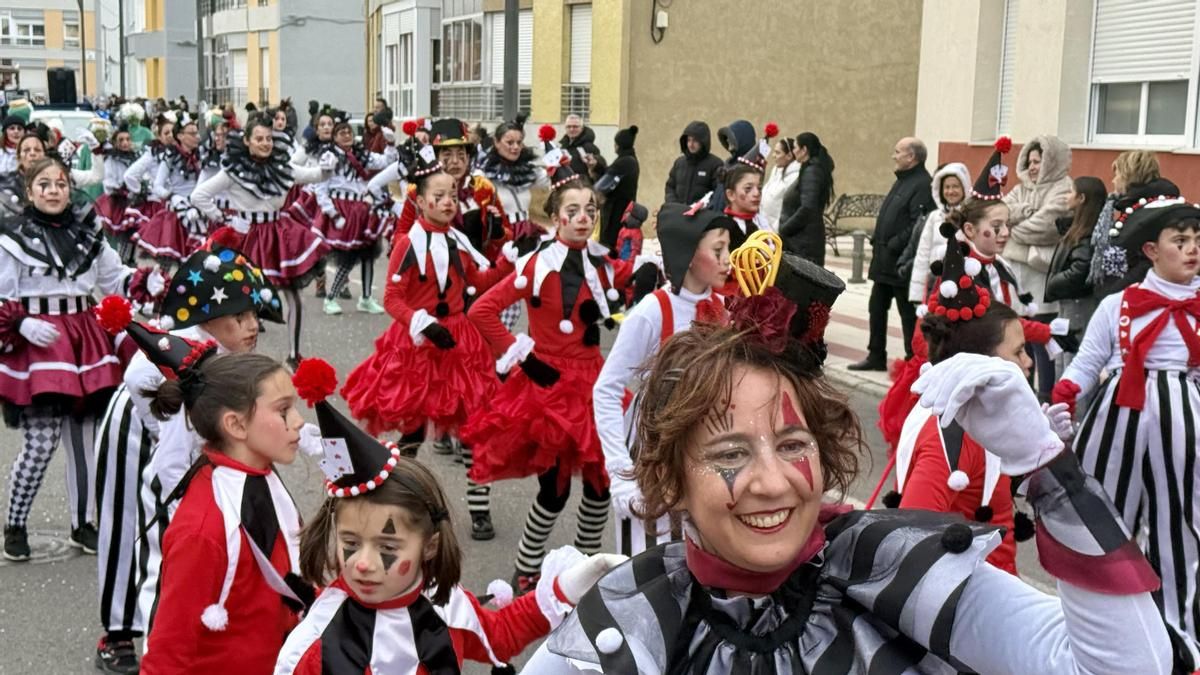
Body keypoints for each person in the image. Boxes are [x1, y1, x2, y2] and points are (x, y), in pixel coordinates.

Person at [523, 248, 1169, 673]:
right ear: (672, 480)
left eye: (794, 444)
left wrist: (1045, 466)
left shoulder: (894, 571)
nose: (772, 482)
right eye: (729, 453)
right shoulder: (623, 622)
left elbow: (1129, 665)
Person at [274, 358, 624, 673]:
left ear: (429, 546)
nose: (363, 563)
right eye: (351, 542)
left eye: (388, 547)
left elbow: (501, 634)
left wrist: (566, 588)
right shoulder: (317, 643)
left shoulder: (444, 603)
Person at [91, 246, 283, 674]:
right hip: (142, 425)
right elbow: (138, 376)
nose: (252, 326)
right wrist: (165, 430)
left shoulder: (223, 346)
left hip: (190, 437)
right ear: (208, 319)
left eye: (254, 315)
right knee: (136, 533)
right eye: (241, 317)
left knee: (183, 542)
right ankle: (120, 632)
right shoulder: (185, 345)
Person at [462, 159, 632, 593]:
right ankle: (527, 570)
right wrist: (521, 357)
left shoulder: (603, 263)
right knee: (554, 491)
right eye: (572, 210)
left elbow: (625, 299)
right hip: (549, 387)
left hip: (595, 385)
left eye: (590, 211)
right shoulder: (538, 264)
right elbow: (481, 310)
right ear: (555, 217)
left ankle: (588, 571)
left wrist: (637, 279)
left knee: (599, 487)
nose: (582, 218)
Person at [1054, 198, 1200, 673]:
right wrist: (1064, 396)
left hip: (1183, 426)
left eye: (1197, 241)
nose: (1193, 250)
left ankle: (1181, 636)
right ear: (1153, 250)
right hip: (1116, 422)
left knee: (1180, 530)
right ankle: (1088, 626)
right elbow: (1087, 361)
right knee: (1100, 520)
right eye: (1181, 242)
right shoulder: (1118, 304)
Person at [340, 146, 513, 541]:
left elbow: (478, 283)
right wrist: (422, 323)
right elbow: (392, 298)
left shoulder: (459, 240)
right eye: (439, 196)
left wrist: (506, 263)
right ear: (419, 201)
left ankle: (480, 509)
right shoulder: (408, 243)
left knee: (473, 428)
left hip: (458, 342)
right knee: (414, 433)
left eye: (453, 194)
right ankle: (396, 498)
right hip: (418, 345)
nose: (448, 202)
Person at [1, 157, 164, 563]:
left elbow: (113, 278)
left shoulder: (87, 232)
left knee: (84, 439)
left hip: (83, 338)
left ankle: (82, 523)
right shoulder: (12, 237)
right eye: (44, 183)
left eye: (60, 183)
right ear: (30, 190)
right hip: (39, 341)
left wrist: (143, 281)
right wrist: (19, 325)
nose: (53, 190)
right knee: (40, 443)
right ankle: (16, 522)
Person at [129, 348, 310, 674]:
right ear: (236, 425)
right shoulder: (203, 530)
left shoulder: (261, 476)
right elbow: (168, 652)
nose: (298, 421)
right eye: (284, 410)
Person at [892, 223, 1044, 575]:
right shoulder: (952, 437)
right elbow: (911, 539)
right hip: (970, 606)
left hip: (997, 596)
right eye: (1019, 352)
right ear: (984, 362)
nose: (1028, 363)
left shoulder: (986, 419)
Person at [593, 204, 738, 556]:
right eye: (718, 250)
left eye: (728, 249)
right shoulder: (652, 312)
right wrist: (620, 470)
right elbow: (607, 389)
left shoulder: (728, 307)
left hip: (709, 444)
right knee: (653, 560)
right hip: (655, 449)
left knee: (708, 553)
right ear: (689, 256)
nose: (727, 259)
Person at [190, 116, 337, 368]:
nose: (265, 143)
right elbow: (199, 195)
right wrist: (224, 218)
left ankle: (293, 355)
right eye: (259, 138)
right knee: (243, 300)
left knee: (293, 295)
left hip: (278, 235)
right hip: (246, 237)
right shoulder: (234, 171)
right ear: (247, 141)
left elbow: (315, 175)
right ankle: (240, 357)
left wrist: (327, 166)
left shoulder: (283, 167)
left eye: (269, 138)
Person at [849, 137, 935, 370]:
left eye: (898, 152)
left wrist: (896, 244)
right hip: (884, 260)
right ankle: (876, 355)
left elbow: (919, 223)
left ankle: (912, 359)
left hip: (900, 263)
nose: (893, 156)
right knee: (876, 308)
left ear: (912, 157)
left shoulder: (922, 184)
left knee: (907, 314)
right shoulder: (902, 180)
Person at [1003, 135, 1072, 400]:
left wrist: (1012, 236)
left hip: (1042, 280)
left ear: (1051, 161)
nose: (1033, 167)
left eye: (1038, 161)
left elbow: (1045, 228)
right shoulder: (1022, 188)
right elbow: (1001, 213)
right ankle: (1025, 392)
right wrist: (1026, 211)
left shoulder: (1064, 188)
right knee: (1022, 339)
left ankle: (1046, 395)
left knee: (1044, 341)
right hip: (1019, 283)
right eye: (1030, 161)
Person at [1089, 150, 1164, 296]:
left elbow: (1145, 263)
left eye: (1117, 175)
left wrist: (1112, 292)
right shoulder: (1131, 208)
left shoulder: (1149, 212)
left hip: (1136, 297)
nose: (1113, 181)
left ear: (1128, 176)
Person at [1045, 176, 1107, 347]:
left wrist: (1054, 282)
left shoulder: (1087, 232)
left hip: (1078, 304)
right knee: (1062, 353)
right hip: (1069, 302)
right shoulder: (1077, 228)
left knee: (1072, 353)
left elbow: (1082, 268)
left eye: (1071, 191)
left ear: (1082, 198)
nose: (1067, 196)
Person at [135, 119, 206, 264]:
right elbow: (158, 186)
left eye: (197, 133)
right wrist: (172, 197)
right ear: (180, 136)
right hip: (178, 213)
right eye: (192, 133)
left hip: (199, 210)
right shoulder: (170, 158)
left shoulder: (202, 156)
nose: (197, 137)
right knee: (173, 263)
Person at [904, 161, 971, 303]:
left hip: (963, 284)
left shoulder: (972, 216)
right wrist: (917, 293)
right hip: (935, 283)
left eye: (955, 186)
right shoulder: (934, 217)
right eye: (946, 187)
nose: (950, 191)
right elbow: (923, 254)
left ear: (964, 188)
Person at [778, 131, 836, 265]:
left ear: (804, 150)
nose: (793, 151)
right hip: (801, 240)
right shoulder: (809, 169)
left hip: (804, 243)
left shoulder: (812, 172)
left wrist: (786, 228)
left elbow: (808, 208)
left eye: (795, 147)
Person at [94, 126, 144, 264]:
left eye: (128, 139)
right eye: (121, 140)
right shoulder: (111, 159)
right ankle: (121, 261)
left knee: (135, 232)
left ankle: (130, 259)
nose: (125, 143)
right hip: (118, 201)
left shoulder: (135, 157)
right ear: (115, 142)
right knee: (123, 233)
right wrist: (121, 187)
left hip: (134, 200)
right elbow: (108, 180)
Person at [594, 124, 639, 248]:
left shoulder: (624, 161)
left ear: (618, 145)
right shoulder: (630, 159)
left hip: (617, 211)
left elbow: (602, 184)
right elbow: (609, 173)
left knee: (610, 245)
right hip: (623, 210)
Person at [664, 120, 723, 206]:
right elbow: (670, 187)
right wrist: (674, 205)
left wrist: (701, 207)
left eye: (695, 141)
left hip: (702, 215)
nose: (691, 144)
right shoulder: (679, 163)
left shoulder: (715, 164)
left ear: (703, 142)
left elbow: (718, 193)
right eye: (688, 140)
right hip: (677, 214)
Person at [760, 136, 799, 231]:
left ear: (789, 156)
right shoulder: (776, 170)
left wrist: (777, 230)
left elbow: (789, 208)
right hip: (766, 227)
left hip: (778, 231)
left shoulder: (796, 177)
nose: (773, 155)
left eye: (777, 153)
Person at [560, 113, 605, 179]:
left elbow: (599, 169)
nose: (571, 129)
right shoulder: (563, 146)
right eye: (568, 127)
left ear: (582, 128)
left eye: (575, 127)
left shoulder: (589, 147)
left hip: (583, 185)